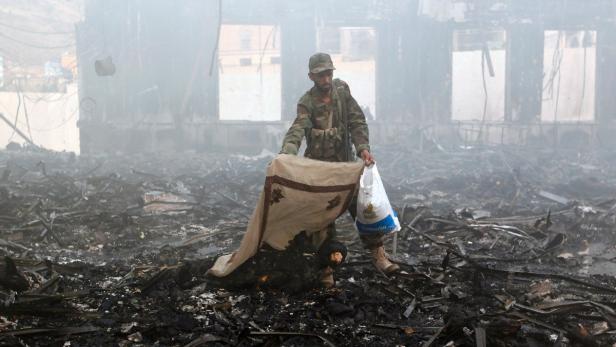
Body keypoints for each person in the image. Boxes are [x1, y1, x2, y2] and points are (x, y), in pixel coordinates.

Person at [279, 52, 399, 286]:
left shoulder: (342, 93)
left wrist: (362, 147)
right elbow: (298, 129)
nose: (325, 79)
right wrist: (287, 153)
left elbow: (357, 121)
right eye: (320, 75)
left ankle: (379, 256)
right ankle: (326, 269)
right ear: (311, 76)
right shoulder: (307, 102)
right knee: (322, 220)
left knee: (365, 208)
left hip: (345, 169)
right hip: (320, 172)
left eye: (328, 73)